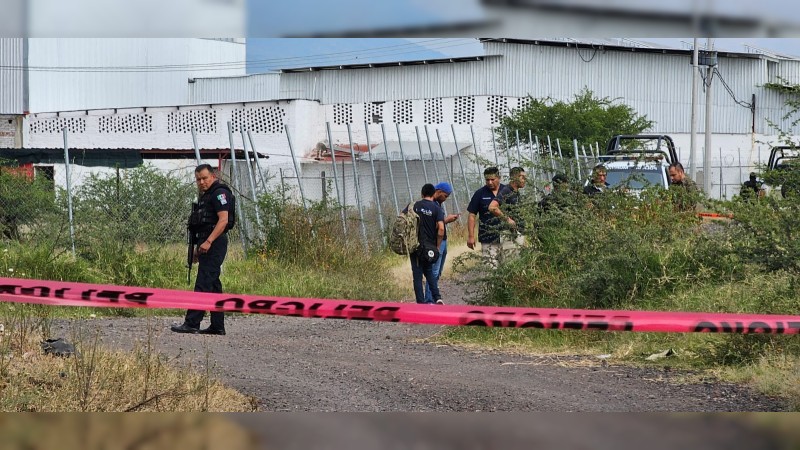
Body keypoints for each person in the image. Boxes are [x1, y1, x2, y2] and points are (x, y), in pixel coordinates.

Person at [171, 164, 234, 335]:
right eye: (198, 179)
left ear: (213, 176)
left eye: (205, 178)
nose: (201, 182)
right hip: (206, 242)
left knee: (204, 283)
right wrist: (197, 248)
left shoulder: (220, 193)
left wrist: (208, 241)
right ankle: (217, 326)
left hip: (215, 242)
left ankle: (192, 323)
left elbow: (223, 221)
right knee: (213, 285)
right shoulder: (206, 197)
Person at [424, 182, 460, 304]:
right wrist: (446, 220)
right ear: (438, 191)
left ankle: (434, 297)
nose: (445, 199)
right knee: (433, 271)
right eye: (445, 196)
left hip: (443, 240)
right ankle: (429, 300)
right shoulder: (430, 205)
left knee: (437, 272)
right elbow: (432, 225)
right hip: (435, 241)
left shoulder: (438, 204)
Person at [409, 183, 445, 305]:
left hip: (416, 246)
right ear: (433, 194)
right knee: (429, 272)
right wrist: (437, 245)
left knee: (417, 275)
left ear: (422, 194)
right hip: (430, 246)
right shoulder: (437, 209)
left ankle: (421, 302)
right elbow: (441, 229)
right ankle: (437, 297)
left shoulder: (414, 206)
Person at [467, 167, 505, 267]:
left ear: (499, 178)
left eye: (492, 179)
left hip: (507, 236)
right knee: (490, 268)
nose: (490, 182)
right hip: (487, 237)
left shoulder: (507, 191)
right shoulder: (480, 194)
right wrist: (471, 236)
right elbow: (472, 215)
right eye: (487, 180)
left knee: (509, 268)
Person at [489, 167, 527, 255]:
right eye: (522, 177)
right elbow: (492, 207)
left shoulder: (516, 192)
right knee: (512, 263)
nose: (525, 180)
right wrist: (508, 220)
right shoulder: (506, 190)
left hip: (517, 234)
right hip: (509, 235)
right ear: (515, 177)